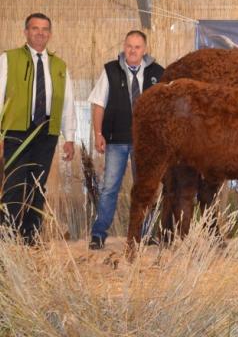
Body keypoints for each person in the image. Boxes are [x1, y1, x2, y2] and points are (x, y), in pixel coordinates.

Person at [0, 13, 76, 245]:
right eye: (35, 28)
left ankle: (30, 238)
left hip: (47, 132)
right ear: (26, 32)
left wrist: (69, 137)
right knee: (14, 184)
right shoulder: (8, 59)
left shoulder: (60, 65)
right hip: (15, 132)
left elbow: (68, 103)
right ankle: (7, 238)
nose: (40, 32)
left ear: (50, 34)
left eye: (45, 29)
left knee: (37, 185)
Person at [88, 30, 163, 249]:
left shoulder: (158, 73)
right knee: (109, 188)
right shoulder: (110, 70)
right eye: (129, 46)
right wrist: (98, 133)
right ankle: (99, 234)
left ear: (145, 49)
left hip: (146, 144)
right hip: (116, 141)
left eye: (137, 47)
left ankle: (147, 233)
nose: (132, 50)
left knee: (146, 188)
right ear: (124, 47)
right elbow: (98, 104)